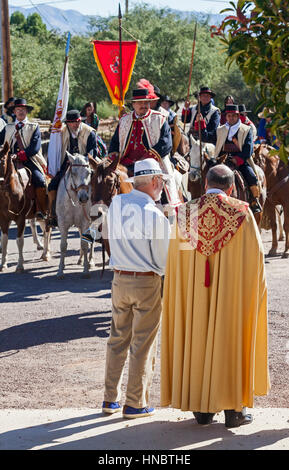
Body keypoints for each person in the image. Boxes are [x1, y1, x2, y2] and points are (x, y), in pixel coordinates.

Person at [161, 164, 270, 428]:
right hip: (232, 294)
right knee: (230, 339)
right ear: (231, 188)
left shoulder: (184, 213)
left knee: (196, 335)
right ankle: (234, 410)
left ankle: (201, 409)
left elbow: (176, 260)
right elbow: (255, 262)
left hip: (195, 292)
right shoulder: (242, 214)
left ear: (205, 185)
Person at [102, 158, 171, 418]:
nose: (162, 186)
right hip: (146, 281)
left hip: (119, 278)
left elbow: (106, 235)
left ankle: (110, 399)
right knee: (142, 343)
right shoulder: (156, 214)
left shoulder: (117, 203)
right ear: (154, 182)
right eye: (161, 181)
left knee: (117, 339)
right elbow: (163, 262)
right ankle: (135, 402)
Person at [47, 109, 101, 227]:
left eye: (77, 121)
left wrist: (82, 160)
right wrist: (51, 129)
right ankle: (52, 214)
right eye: (72, 122)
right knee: (52, 184)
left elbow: (93, 152)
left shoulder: (90, 132)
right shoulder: (63, 131)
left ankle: (98, 213)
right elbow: (54, 132)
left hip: (87, 163)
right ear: (68, 123)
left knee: (100, 182)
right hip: (68, 163)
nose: (75, 124)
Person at [0, 98, 47, 219]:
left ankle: (41, 210)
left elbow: (34, 148)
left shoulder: (34, 127)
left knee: (40, 179)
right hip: (9, 161)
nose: (21, 112)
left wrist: (20, 155)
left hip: (29, 160)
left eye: (23, 110)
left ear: (27, 112)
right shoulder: (7, 127)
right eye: (18, 109)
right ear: (14, 112)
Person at [214, 104, 262, 213]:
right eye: (229, 116)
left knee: (251, 177)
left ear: (238, 116)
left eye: (234, 116)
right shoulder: (220, 129)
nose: (231, 118)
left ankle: (254, 201)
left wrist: (238, 159)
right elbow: (212, 140)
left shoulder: (246, 129)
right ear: (226, 117)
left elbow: (248, 149)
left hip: (241, 160)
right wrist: (200, 125)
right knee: (208, 174)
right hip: (223, 160)